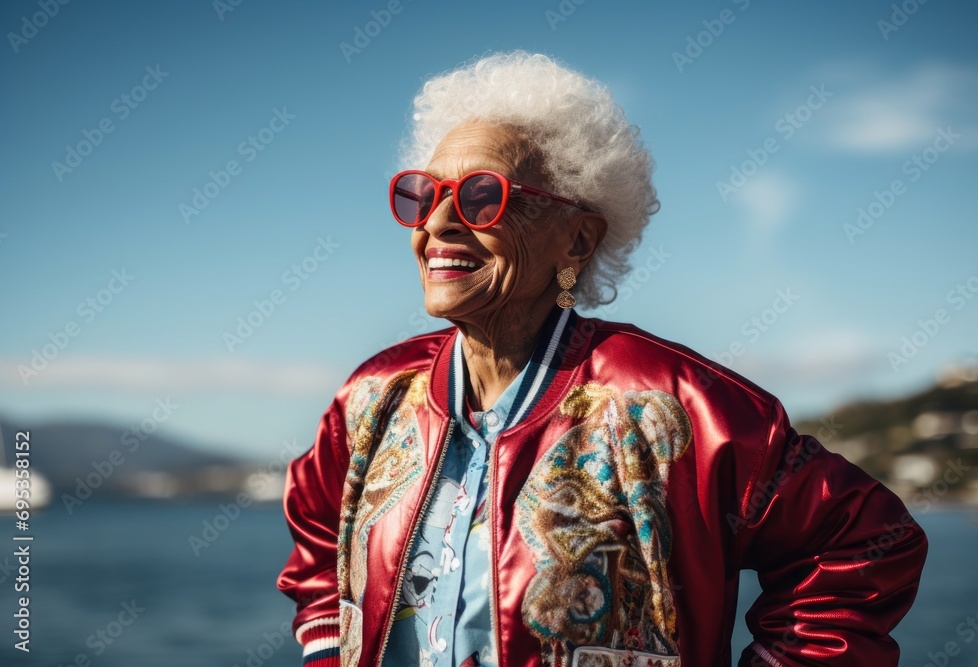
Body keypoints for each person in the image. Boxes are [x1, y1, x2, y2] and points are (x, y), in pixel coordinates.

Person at [276, 51, 927, 667]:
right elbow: (316, 542)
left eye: (481, 196)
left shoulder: (675, 405)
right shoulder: (372, 397)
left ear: (578, 238)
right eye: (424, 194)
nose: (438, 222)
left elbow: (863, 541)